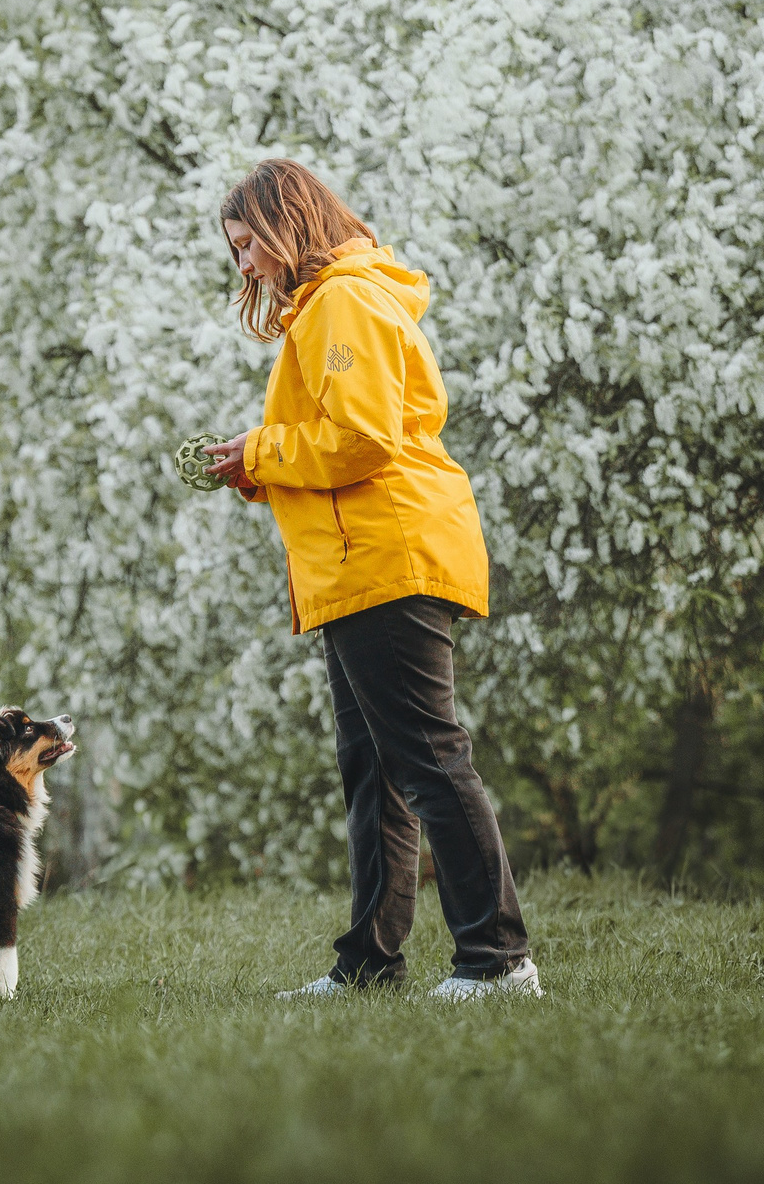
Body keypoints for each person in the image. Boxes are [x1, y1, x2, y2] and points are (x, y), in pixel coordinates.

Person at [204, 160, 538, 1000]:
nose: (244, 265)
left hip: (387, 554)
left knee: (428, 757)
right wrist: (259, 464)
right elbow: (340, 436)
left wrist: (260, 450)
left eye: (247, 245)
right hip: (364, 562)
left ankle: (498, 962)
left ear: (287, 224)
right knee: (375, 769)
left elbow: (361, 439)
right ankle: (368, 965)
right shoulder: (332, 303)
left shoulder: (345, 301)